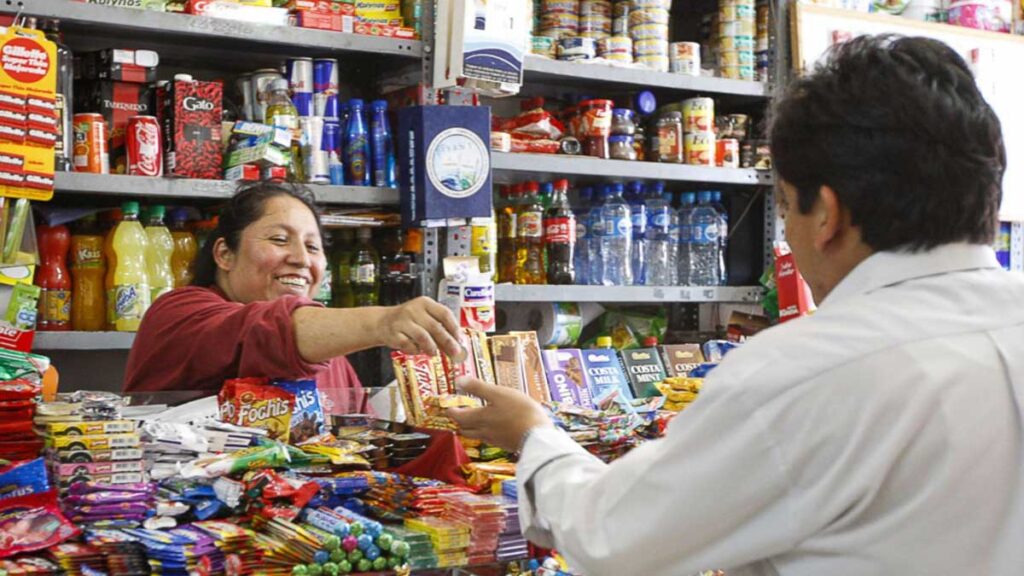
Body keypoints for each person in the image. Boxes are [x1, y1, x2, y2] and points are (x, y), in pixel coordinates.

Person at [449, 35, 1024, 575]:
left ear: (826, 214)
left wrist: (534, 434)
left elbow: (613, 538)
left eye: (785, 210)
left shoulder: (806, 372)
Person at [124, 182, 463, 409]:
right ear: (225, 254)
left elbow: (366, 448)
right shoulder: (179, 313)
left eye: (313, 246)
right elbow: (265, 330)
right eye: (279, 239)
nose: (302, 259)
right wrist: (384, 321)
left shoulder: (330, 354)